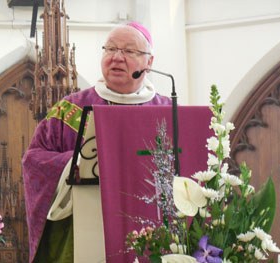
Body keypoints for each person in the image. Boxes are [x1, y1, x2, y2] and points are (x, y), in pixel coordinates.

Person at [22, 21, 171, 263]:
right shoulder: (70, 108)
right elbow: (33, 160)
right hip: (83, 228)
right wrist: (76, 163)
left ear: (149, 62)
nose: (117, 58)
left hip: (150, 230)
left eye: (129, 51)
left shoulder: (167, 111)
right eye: (110, 49)